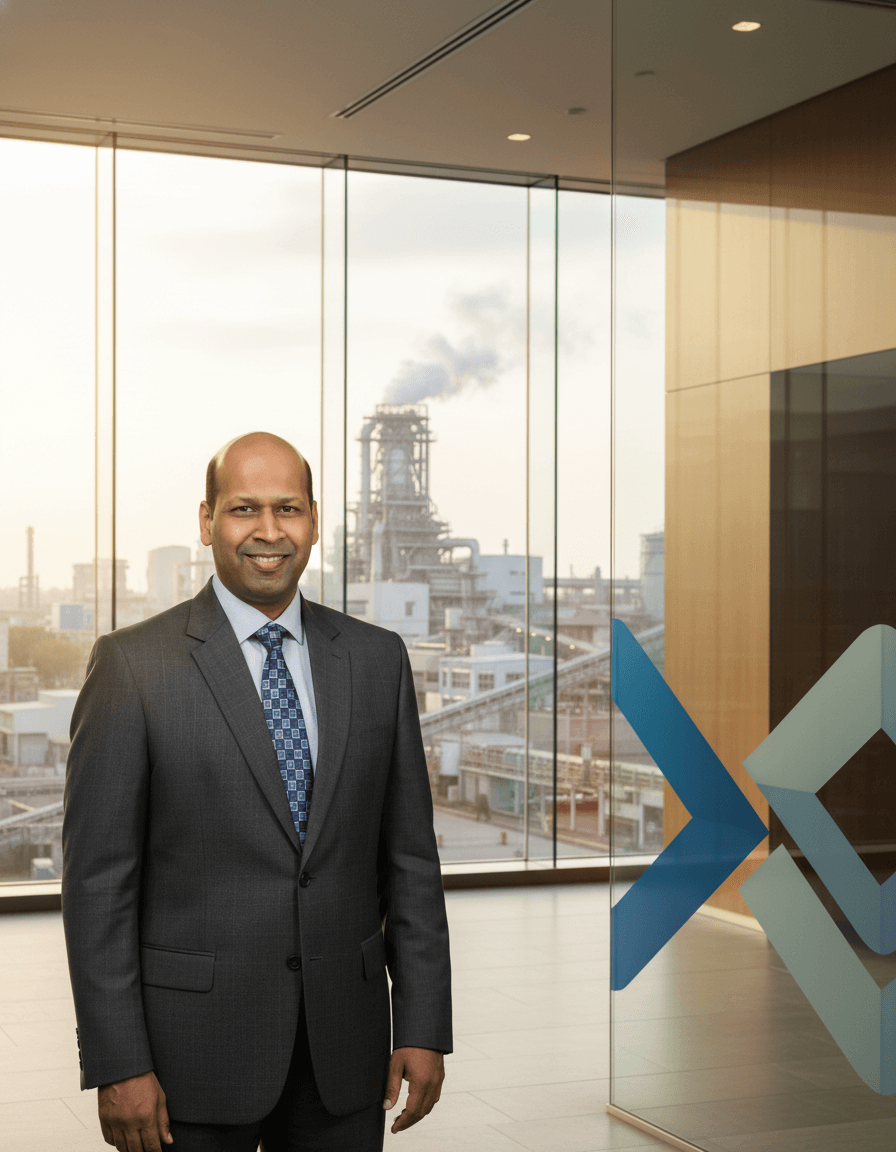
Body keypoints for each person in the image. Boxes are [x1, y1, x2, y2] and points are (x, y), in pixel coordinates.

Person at [62, 431, 452, 1152]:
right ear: (207, 521)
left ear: (313, 522)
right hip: (190, 1061)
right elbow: (98, 885)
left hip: (347, 1052)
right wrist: (119, 1062)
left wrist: (423, 1024)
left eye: (288, 509)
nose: (269, 533)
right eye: (245, 509)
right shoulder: (132, 667)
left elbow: (409, 862)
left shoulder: (377, 660)